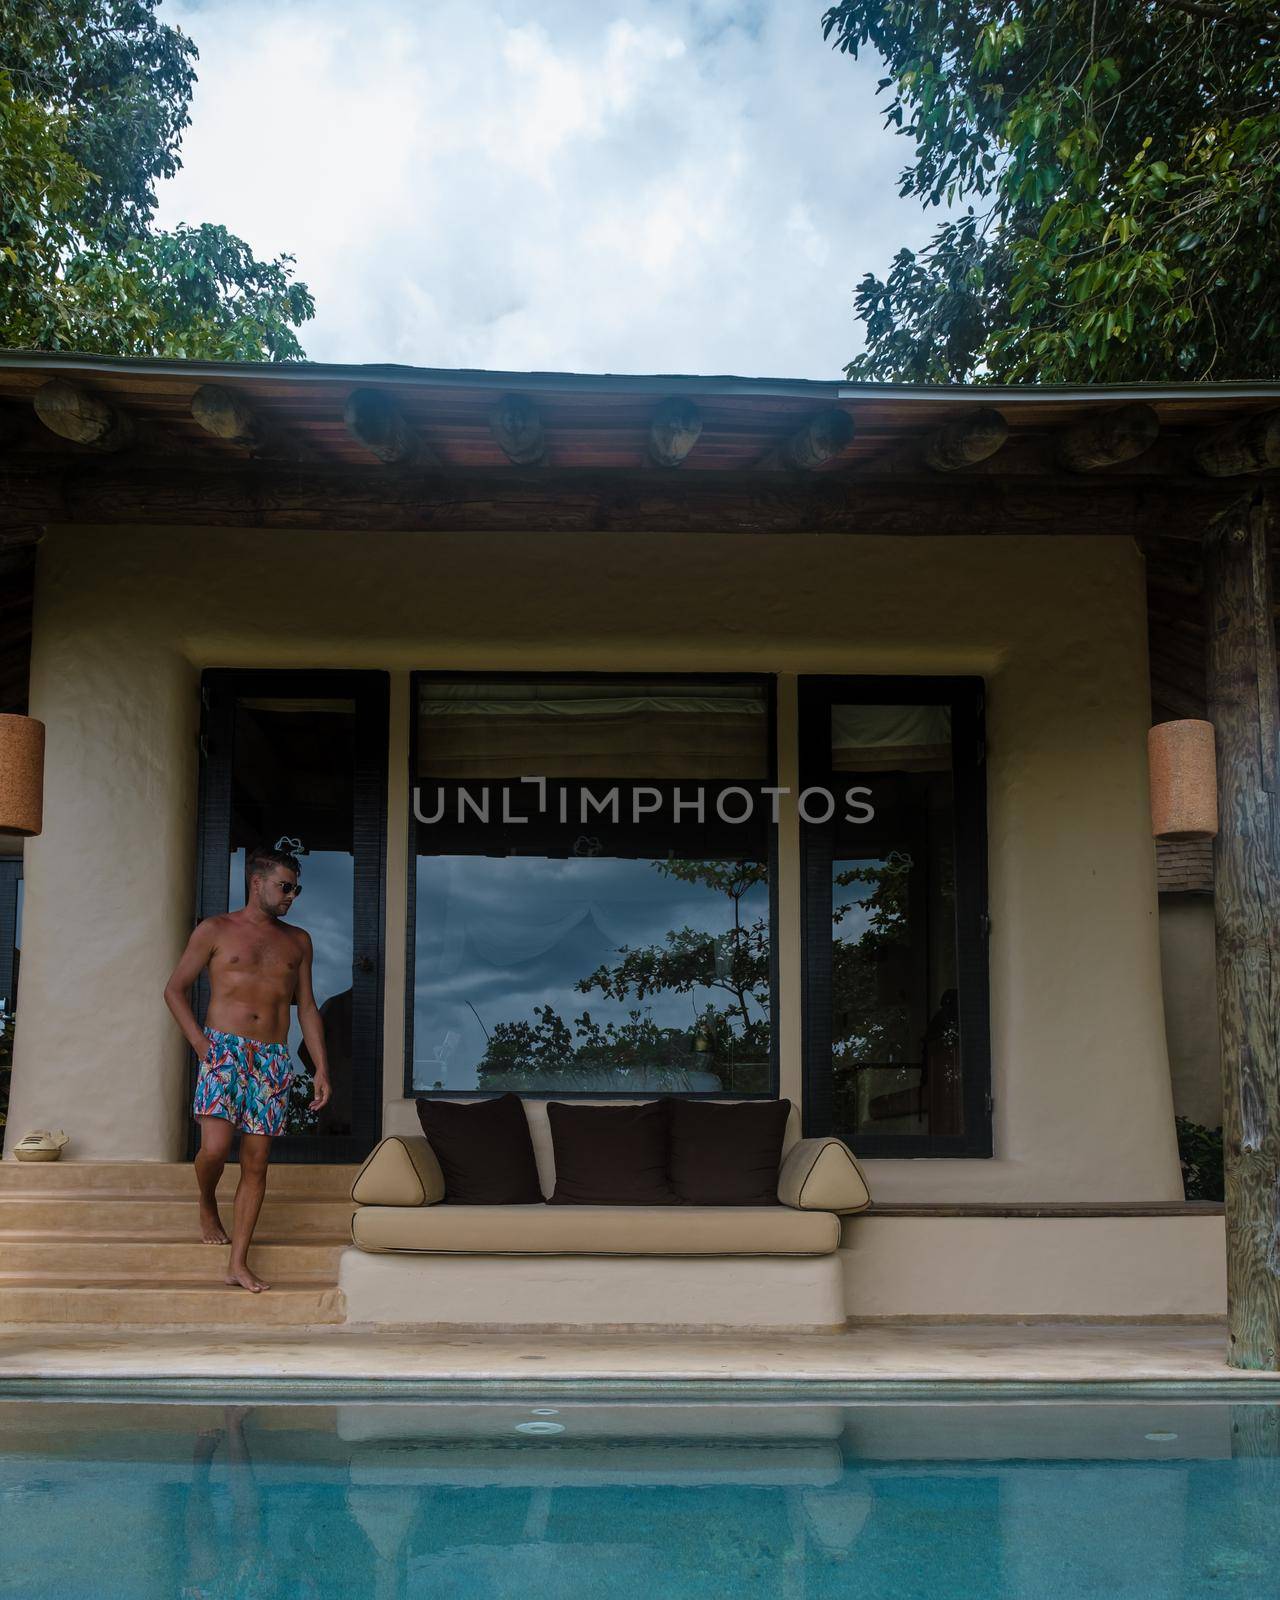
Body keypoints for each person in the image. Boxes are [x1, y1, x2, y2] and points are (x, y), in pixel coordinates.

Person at [164, 843, 331, 1292]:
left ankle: (238, 1262)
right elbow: (175, 990)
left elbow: (308, 1007)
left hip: (273, 1057)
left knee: (256, 1162)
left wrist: (320, 1066)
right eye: (284, 886)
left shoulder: (298, 941)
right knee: (216, 1150)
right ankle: (205, 1200)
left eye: (296, 889)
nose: (291, 895)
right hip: (223, 1052)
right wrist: (202, 1046)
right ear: (257, 883)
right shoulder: (214, 929)